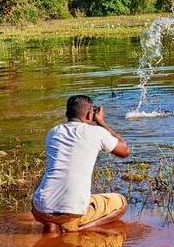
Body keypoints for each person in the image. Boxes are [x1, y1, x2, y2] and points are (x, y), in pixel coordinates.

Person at [32, 95, 131, 234]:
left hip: (39, 209)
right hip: (72, 211)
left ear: (67, 114)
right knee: (121, 203)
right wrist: (101, 122)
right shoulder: (97, 132)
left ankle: (51, 225)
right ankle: (76, 228)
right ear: (90, 114)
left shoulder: (54, 132)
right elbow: (125, 151)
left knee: (47, 175)